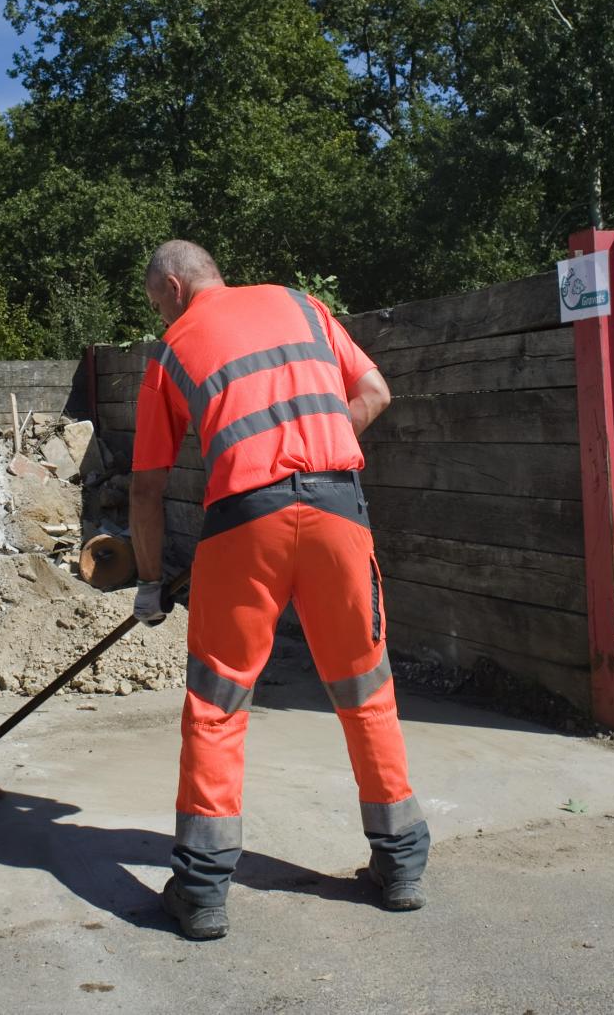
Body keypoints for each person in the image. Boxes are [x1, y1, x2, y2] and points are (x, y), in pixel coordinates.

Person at [127, 239, 429, 941]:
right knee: (364, 689)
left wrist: (149, 583)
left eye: (153, 302)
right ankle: (402, 865)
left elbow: (147, 485)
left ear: (173, 287)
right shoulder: (303, 305)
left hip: (243, 527)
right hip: (337, 512)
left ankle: (201, 893)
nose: (157, 315)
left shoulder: (172, 349)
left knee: (218, 701)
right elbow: (375, 393)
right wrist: (313, 449)